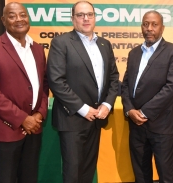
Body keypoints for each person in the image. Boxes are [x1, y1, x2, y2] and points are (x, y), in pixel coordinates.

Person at [46, 1, 119, 182]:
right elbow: (56, 81)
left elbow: (114, 78)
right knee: (73, 173)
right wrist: (83, 109)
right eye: (80, 15)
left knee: (88, 170)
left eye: (90, 14)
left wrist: (107, 104)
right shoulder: (61, 43)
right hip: (72, 118)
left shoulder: (104, 44)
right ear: (73, 19)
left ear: (95, 17)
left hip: (97, 118)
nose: (86, 18)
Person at [0, 2, 49, 183]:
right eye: (12, 16)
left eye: (23, 15)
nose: (19, 19)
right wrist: (23, 119)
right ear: (3, 20)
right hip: (6, 130)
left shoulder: (38, 49)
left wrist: (39, 115)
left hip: (34, 129)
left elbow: (44, 85)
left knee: (29, 178)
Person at [121, 10, 173, 183]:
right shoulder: (134, 53)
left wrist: (144, 112)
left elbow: (172, 88)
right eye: (145, 24)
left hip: (162, 126)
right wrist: (130, 110)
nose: (149, 28)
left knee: (166, 175)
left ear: (162, 28)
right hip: (136, 125)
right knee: (141, 174)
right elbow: (125, 85)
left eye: (154, 24)